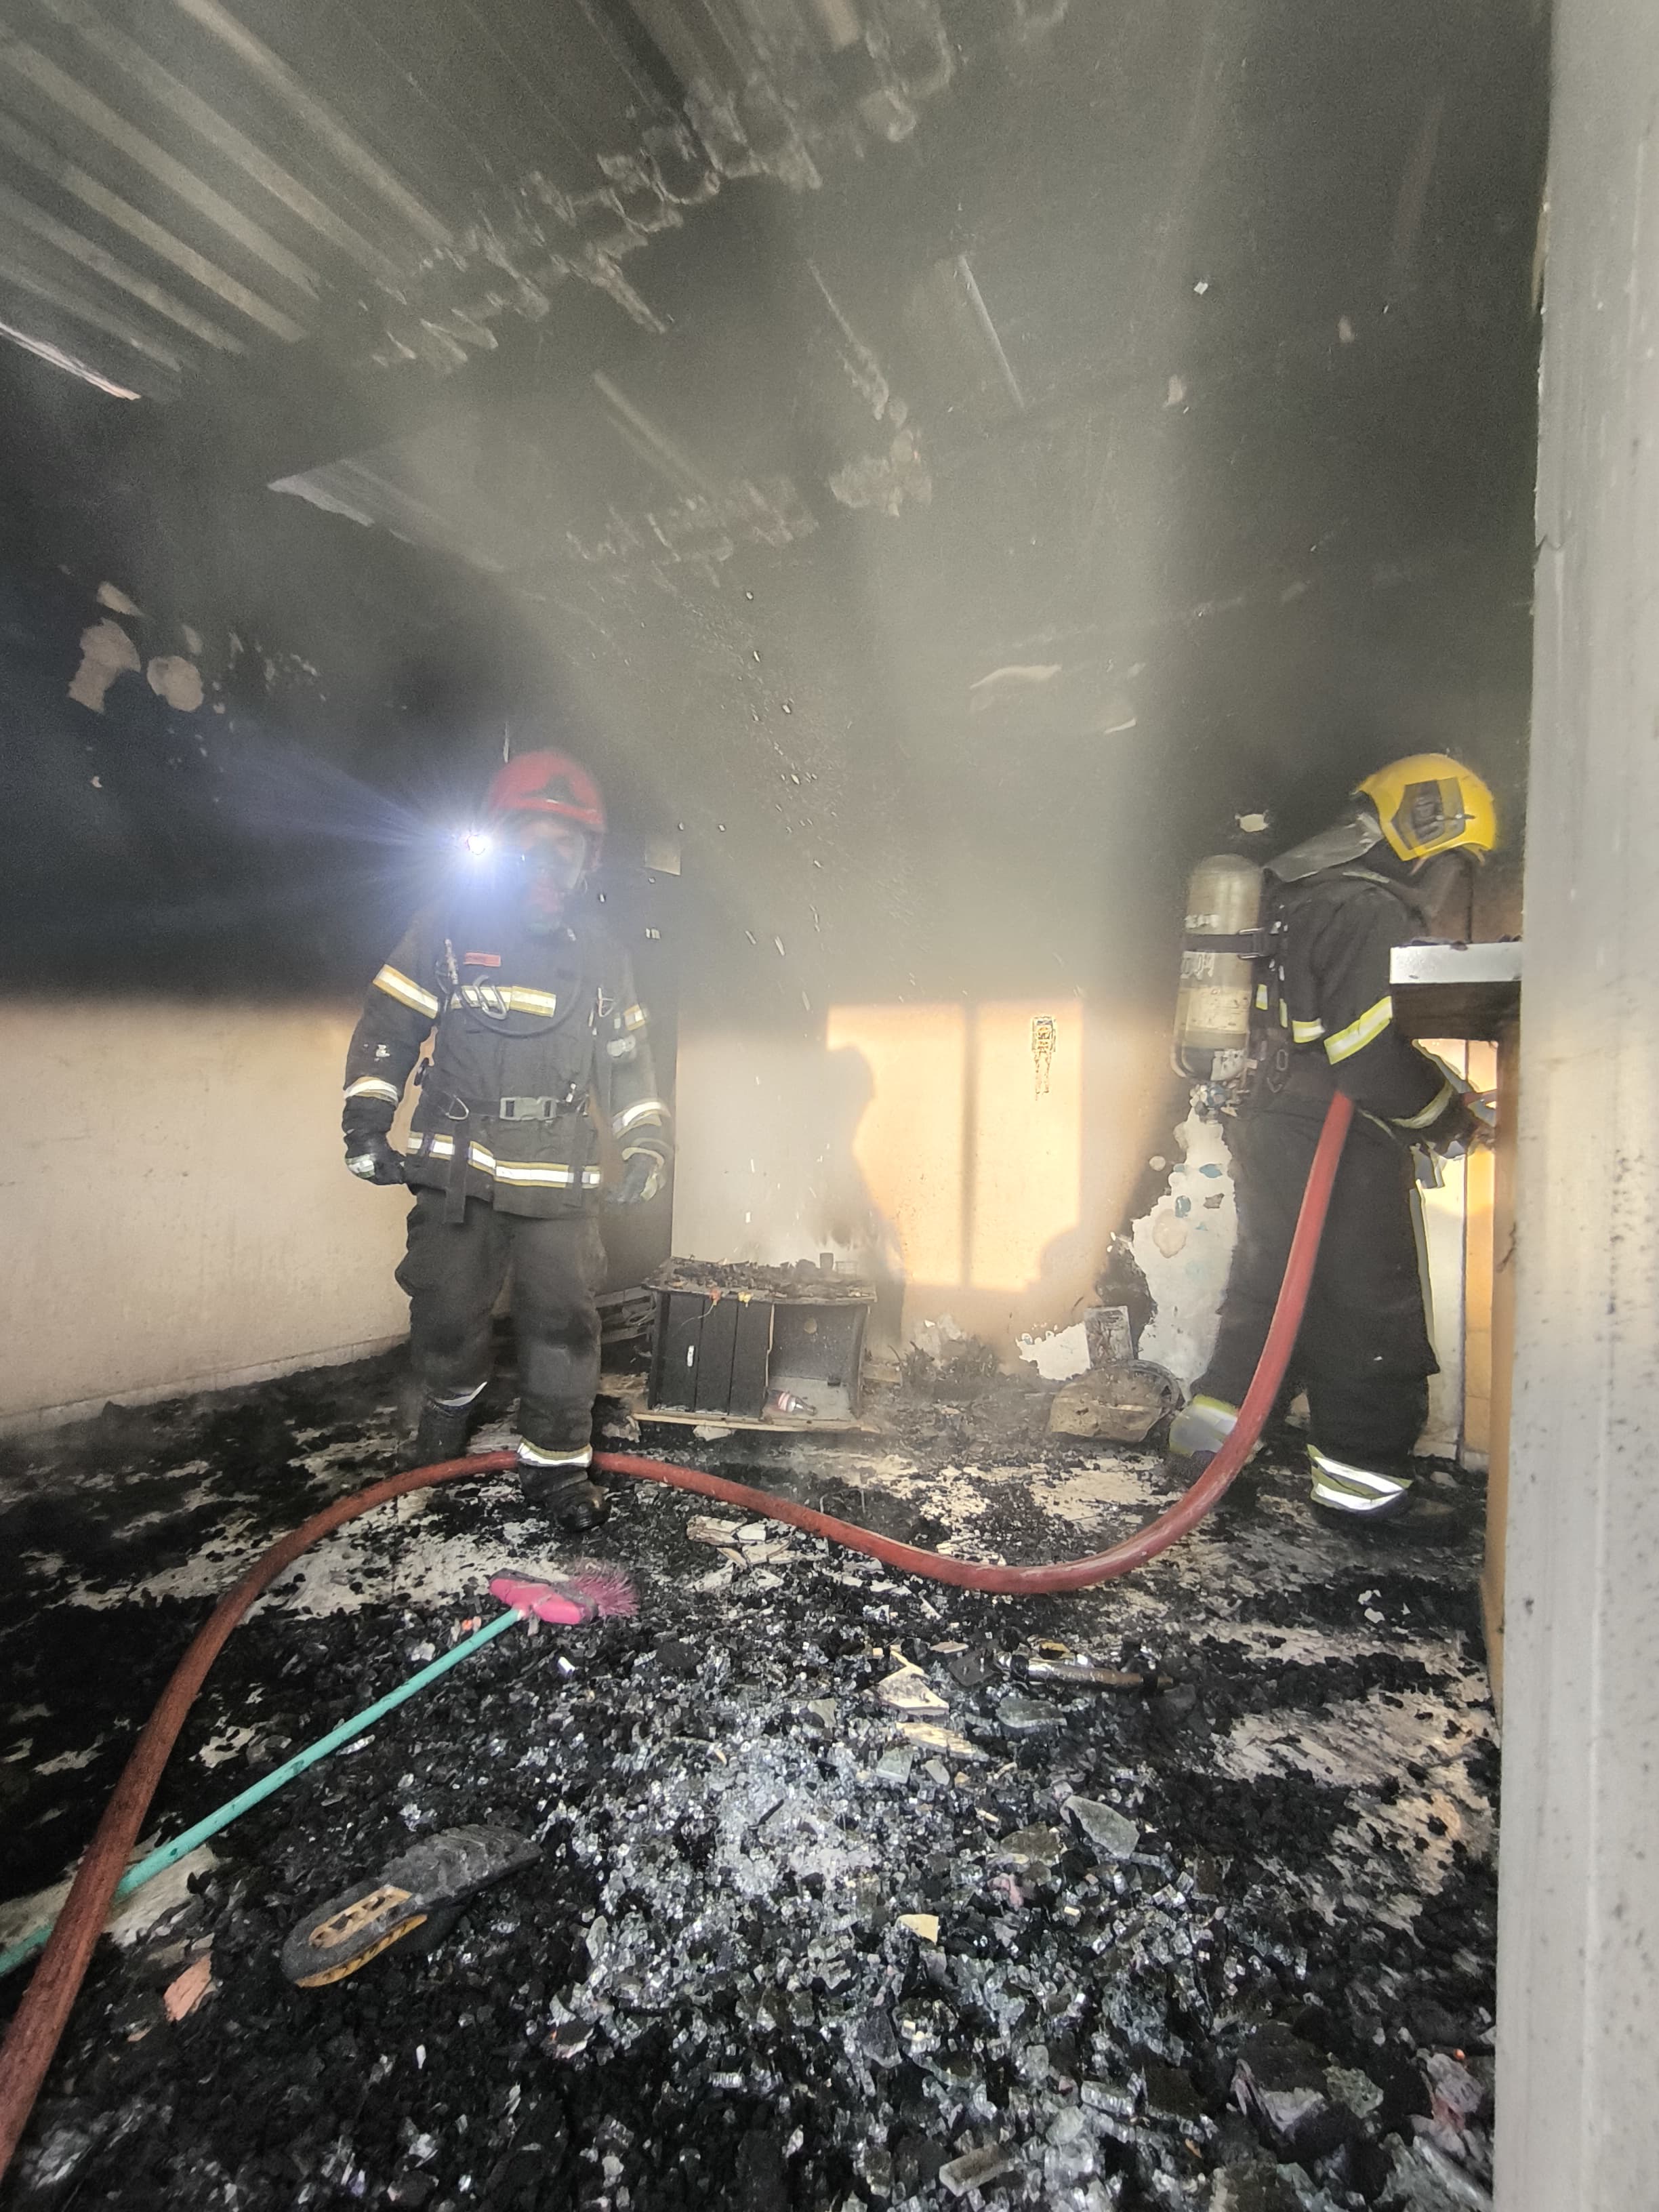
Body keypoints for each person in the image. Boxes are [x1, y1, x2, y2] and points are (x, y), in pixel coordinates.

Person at [340, 750, 671, 1530]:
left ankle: (558, 1468)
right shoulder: (447, 932)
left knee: (562, 1322)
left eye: (569, 844)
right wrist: (365, 1123)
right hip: (458, 1173)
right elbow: (389, 1028)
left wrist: (649, 1144)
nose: (549, 860)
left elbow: (627, 1065)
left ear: (589, 857)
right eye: (532, 837)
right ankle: (447, 1411)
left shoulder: (602, 958)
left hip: (559, 1180)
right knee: (448, 1309)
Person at [1169, 753, 1496, 1523]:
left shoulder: (1286, 896)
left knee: (1269, 1288)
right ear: (1427, 830)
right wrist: (1451, 1115)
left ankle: (1206, 1454)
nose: (1449, 883)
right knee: (1368, 1304)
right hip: (1329, 1135)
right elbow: (1368, 1060)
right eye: (1453, 862)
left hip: (1265, 1118)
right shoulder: (1366, 907)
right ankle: (1364, 1490)